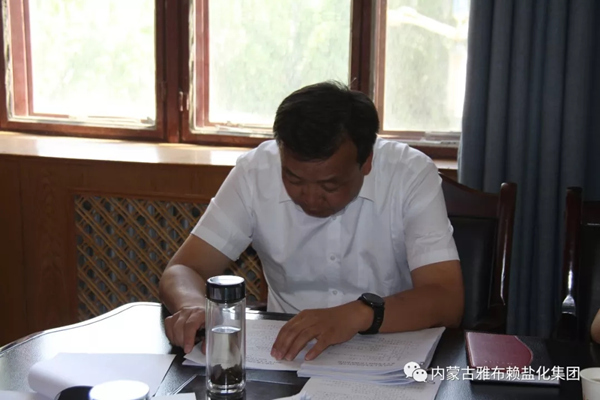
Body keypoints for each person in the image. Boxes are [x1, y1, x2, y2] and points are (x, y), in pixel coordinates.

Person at [159, 81, 464, 362]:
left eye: (329, 185)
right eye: (293, 179)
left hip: (390, 350)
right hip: (285, 356)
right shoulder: (255, 173)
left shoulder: (410, 175)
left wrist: (358, 314)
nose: (310, 197)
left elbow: (447, 299)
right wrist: (193, 306)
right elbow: (182, 269)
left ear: (366, 161)